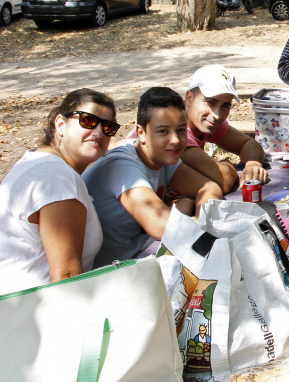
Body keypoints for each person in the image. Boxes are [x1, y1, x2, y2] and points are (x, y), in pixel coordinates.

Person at [84, 87, 224, 267]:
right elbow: (164, 226)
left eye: (181, 130)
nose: (175, 140)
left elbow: (209, 187)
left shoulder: (161, 156)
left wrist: (197, 215)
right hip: (114, 270)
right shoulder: (123, 165)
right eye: (163, 131)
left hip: (143, 250)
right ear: (141, 133)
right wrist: (187, 208)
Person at [0, 89, 118, 294]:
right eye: (88, 121)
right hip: (33, 315)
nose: (99, 132)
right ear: (60, 124)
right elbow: (66, 277)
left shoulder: (38, 162)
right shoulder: (58, 179)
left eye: (108, 127)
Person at [182, 65, 267, 193]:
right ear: (189, 99)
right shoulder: (176, 129)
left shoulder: (203, 119)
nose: (217, 115)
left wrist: (252, 164)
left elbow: (249, 144)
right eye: (211, 102)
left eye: (225, 106)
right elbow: (226, 179)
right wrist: (226, 163)